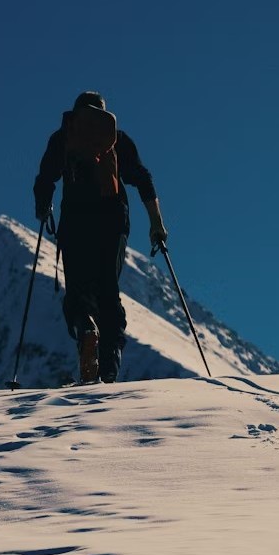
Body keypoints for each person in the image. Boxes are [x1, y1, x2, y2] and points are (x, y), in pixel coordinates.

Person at [32, 91, 169, 383]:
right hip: (113, 221)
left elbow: (45, 178)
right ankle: (109, 367)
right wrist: (156, 224)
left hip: (75, 222)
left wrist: (43, 208)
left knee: (79, 291)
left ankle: (85, 328)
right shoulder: (117, 139)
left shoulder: (63, 138)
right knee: (108, 290)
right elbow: (143, 179)